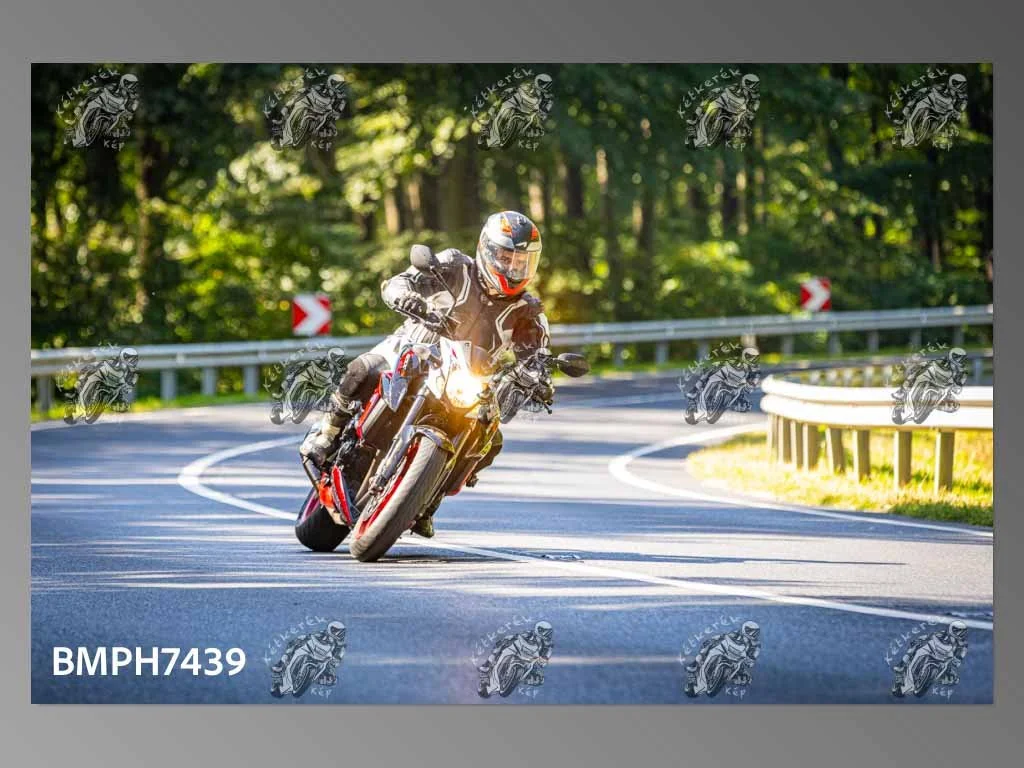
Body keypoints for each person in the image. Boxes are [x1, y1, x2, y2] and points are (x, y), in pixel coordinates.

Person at [300, 211, 551, 537]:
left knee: (490, 440)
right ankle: (328, 433)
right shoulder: (454, 266)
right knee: (365, 368)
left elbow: (538, 355)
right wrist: (405, 296)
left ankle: (428, 500)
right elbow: (399, 282)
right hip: (414, 350)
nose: (512, 268)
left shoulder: (528, 312)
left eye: (521, 262)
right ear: (486, 250)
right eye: (506, 258)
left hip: (468, 379)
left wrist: (539, 377)